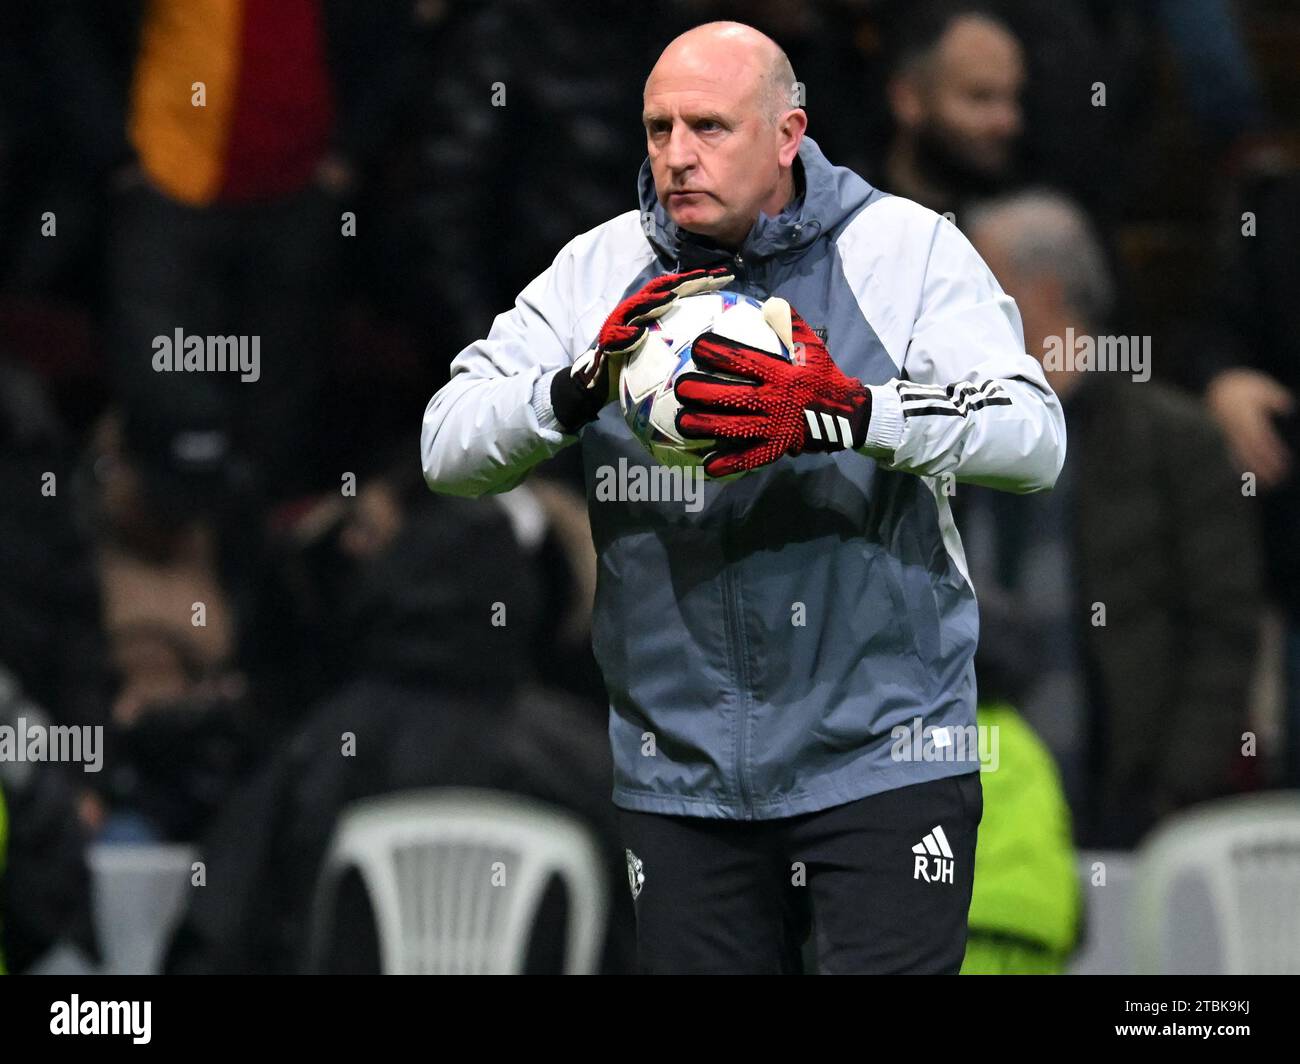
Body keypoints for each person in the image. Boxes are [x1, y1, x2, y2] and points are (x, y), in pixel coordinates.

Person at [421, 21, 1065, 973]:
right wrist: (575, 389)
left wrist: (849, 411)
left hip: (883, 758)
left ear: (787, 133)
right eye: (658, 128)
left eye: (710, 127)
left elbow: (1033, 436)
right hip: (681, 774)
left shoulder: (903, 250)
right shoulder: (598, 271)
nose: (677, 156)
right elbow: (447, 443)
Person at [963, 191, 1262, 847]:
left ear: (1040, 298)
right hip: (978, 810)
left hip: (1128, 810)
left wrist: (1171, 792)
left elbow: (1225, 628)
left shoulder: (1171, 441)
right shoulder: (954, 437)